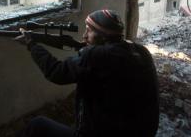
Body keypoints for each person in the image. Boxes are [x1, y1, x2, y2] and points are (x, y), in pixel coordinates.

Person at [16, 9, 159, 137]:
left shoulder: (95, 56)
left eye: (89, 31)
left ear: (103, 37)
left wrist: (31, 44)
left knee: (37, 125)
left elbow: (56, 72)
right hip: (141, 131)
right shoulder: (141, 51)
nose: (84, 36)